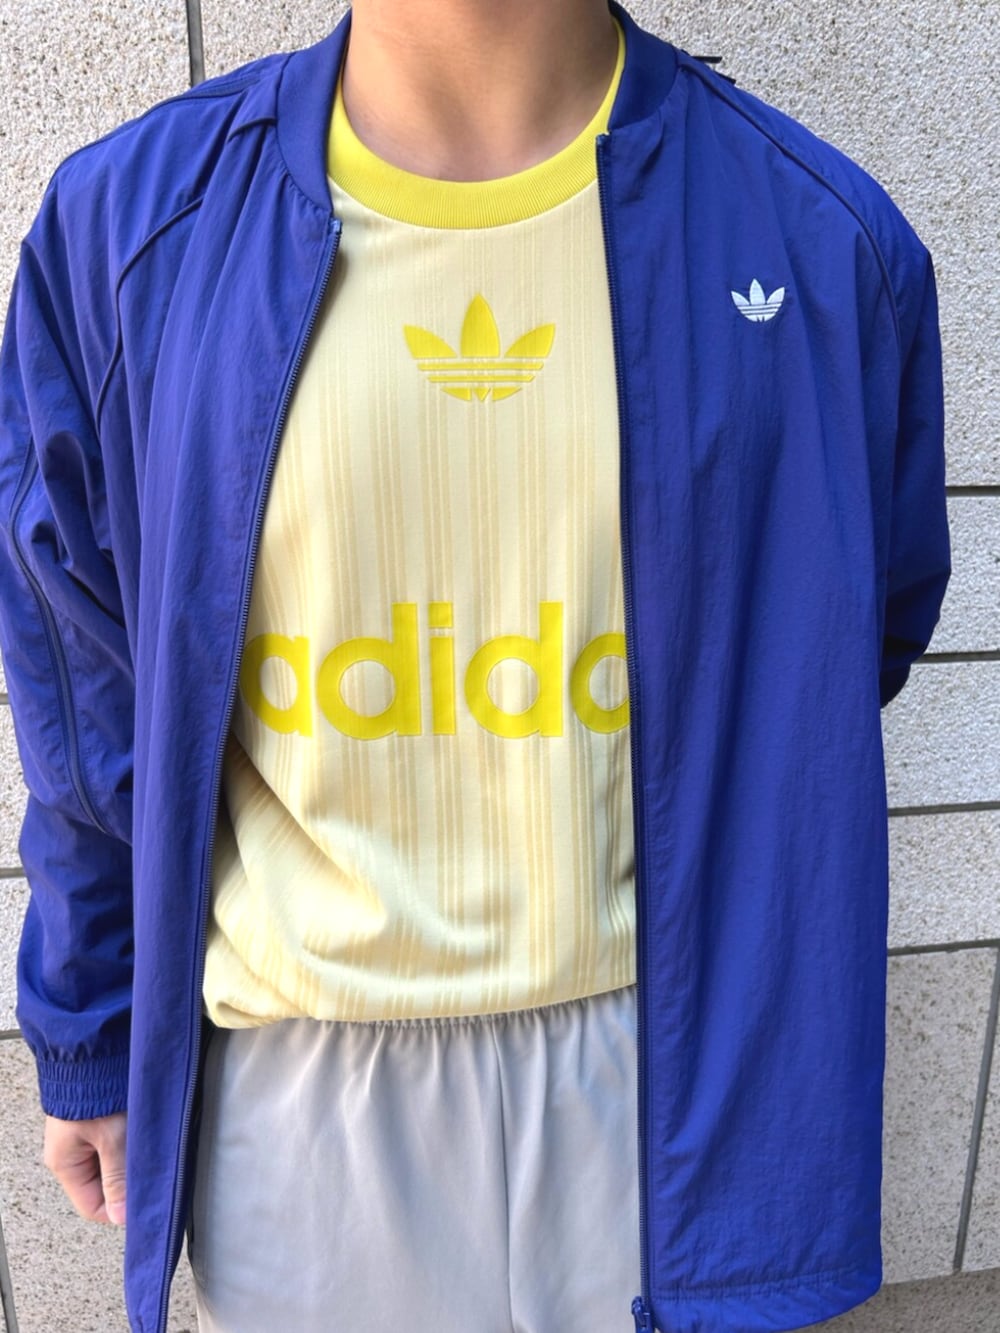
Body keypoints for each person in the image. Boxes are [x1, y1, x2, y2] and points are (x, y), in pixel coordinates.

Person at [0, 1, 951, 1330]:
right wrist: (89, 1018)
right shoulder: (133, 228)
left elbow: (846, 644)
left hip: (679, 1072)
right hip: (301, 1095)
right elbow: (86, 674)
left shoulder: (821, 241)